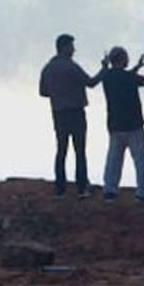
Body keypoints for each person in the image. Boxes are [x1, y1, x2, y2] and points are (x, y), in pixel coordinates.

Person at [39, 33, 103, 199]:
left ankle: (60, 189)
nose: (74, 50)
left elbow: (43, 91)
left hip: (58, 112)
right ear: (65, 47)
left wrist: (58, 94)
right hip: (75, 111)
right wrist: (104, 69)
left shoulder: (48, 67)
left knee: (61, 149)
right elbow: (91, 83)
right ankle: (82, 187)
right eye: (72, 46)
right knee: (79, 150)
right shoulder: (71, 66)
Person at [96, 46, 144, 203]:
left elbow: (119, 73)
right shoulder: (129, 78)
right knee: (140, 159)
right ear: (123, 59)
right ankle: (142, 191)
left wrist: (137, 66)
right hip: (134, 123)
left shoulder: (107, 77)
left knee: (114, 159)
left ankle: (110, 190)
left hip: (115, 123)